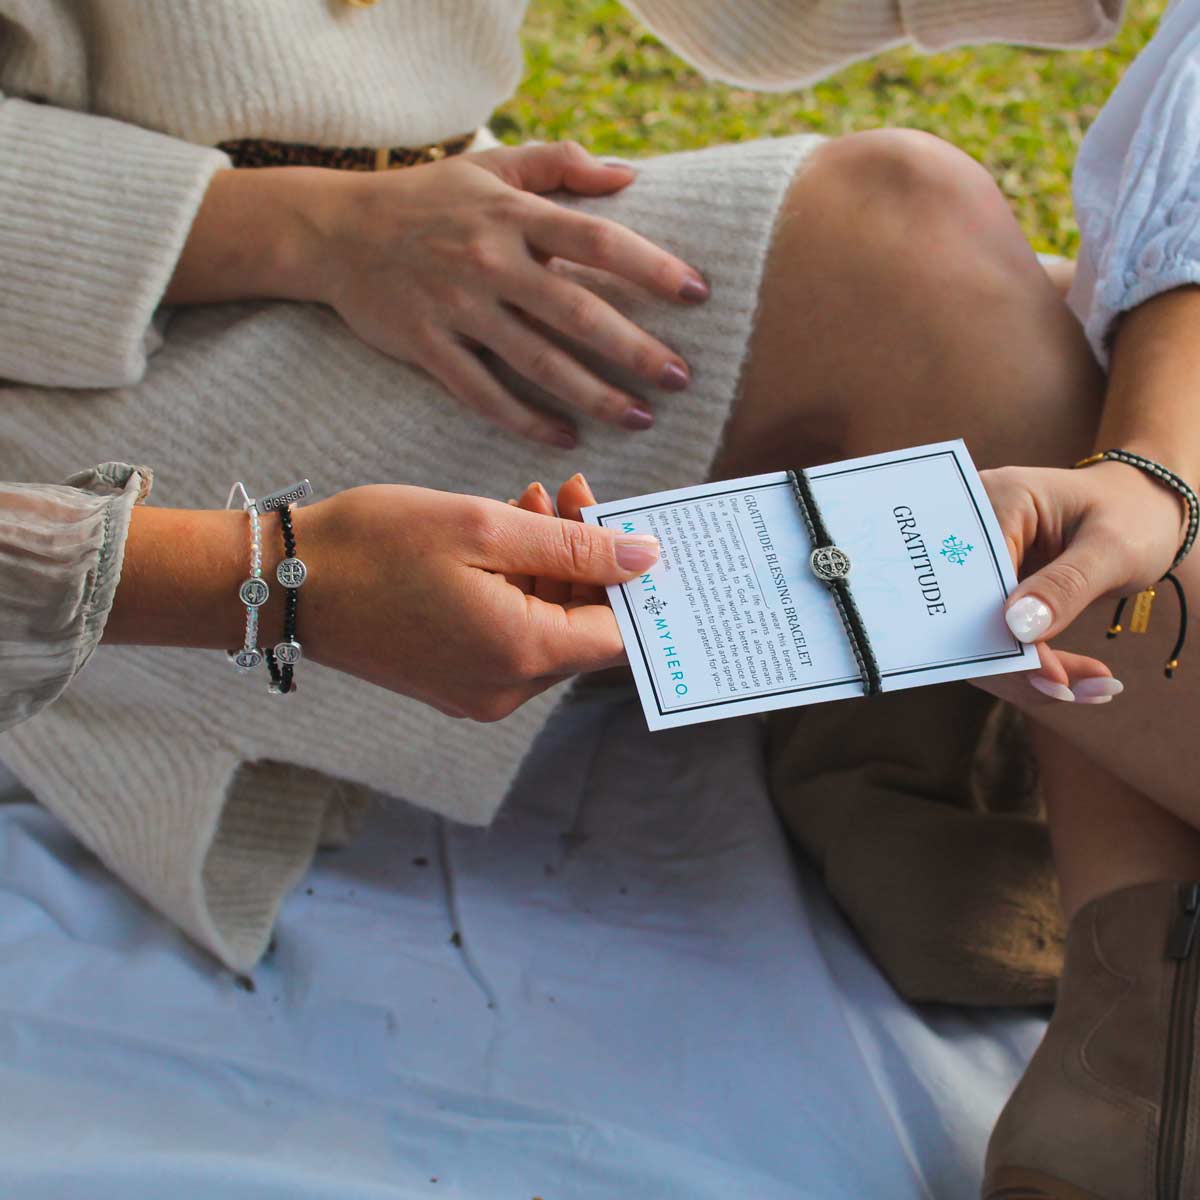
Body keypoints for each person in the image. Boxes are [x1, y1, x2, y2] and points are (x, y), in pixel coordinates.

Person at [0, 2, 1193, 1192]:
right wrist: (320, 232)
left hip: (443, 240)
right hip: (114, 345)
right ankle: (1134, 1025)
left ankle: (1133, 1019)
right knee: (903, 241)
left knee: (1017, 319)